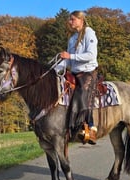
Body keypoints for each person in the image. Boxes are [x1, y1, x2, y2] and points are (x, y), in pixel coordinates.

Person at [57, 10, 98, 145]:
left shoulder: (89, 33)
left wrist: (71, 56)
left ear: (81, 20)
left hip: (88, 72)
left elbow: (91, 55)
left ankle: (90, 128)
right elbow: (67, 61)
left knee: (81, 94)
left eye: (73, 19)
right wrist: (55, 70)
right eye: (70, 19)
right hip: (74, 72)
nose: (70, 22)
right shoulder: (72, 38)